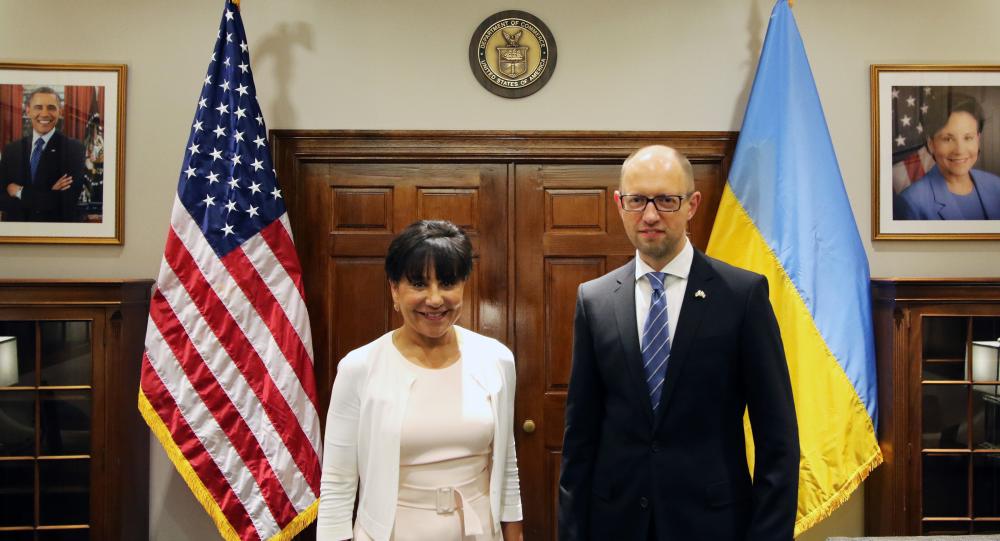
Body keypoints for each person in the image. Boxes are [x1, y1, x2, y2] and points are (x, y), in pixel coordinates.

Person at [558, 145, 799, 541]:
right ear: (619, 203)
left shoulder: (742, 296)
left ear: (692, 204)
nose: (650, 215)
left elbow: (779, 441)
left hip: (714, 525)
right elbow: (579, 440)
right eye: (637, 200)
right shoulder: (595, 300)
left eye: (667, 200)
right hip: (616, 524)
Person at [317, 220, 523, 541]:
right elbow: (337, 484)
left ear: (464, 285)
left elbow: (506, 465)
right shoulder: (360, 367)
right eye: (418, 284)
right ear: (394, 289)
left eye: (448, 282)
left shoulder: (496, 359)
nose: (436, 299)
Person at [897, 92, 1000, 220]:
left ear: (978, 139)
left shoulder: (996, 185)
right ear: (931, 144)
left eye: (968, 138)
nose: (959, 150)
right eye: (947, 139)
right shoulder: (911, 202)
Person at [0, 86, 85, 222]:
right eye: (38, 107)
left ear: (60, 111)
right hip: (17, 235)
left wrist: (19, 192)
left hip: (55, 234)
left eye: (51, 107)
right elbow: (2, 200)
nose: (44, 114)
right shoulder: (11, 150)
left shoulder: (74, 149)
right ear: (28, 111)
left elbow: (65, 201)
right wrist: (48, 195)